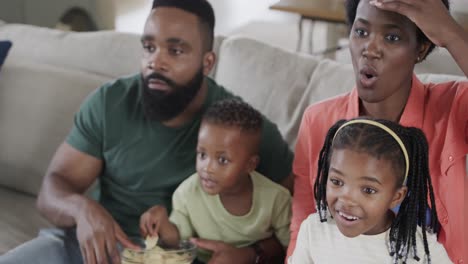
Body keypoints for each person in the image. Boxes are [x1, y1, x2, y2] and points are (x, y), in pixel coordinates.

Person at [0, 1, 293, 264]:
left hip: (180, 256)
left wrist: (252, 254)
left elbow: (300, 217)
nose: (156, 61)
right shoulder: (109, 103)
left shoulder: (239, 129)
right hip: (99, 249)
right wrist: (82, 210)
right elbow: (52, 189)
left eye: (176, 50)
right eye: (149, 47)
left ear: (207, 63)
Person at [289, 0, 468, 262]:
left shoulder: (453, 105)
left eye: (392, 37)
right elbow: (304, 221)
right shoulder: (318, 120)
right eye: (361, 32)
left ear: (421, 48)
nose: (370, 49)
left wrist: (451, 33)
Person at [140, 99, 291, 263]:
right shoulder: (187, 193)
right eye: (202, 155)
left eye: (222, 160)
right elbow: (178, 242)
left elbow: (292, 248)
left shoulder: (277, 199)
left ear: (250, 165)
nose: (207, 168)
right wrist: (162, 224)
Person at [289, 118, 452, 264]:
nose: (346, 199)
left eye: (368, 190)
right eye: (336, 181)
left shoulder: (420, 249)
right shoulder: (313, 230)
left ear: (396, 196)